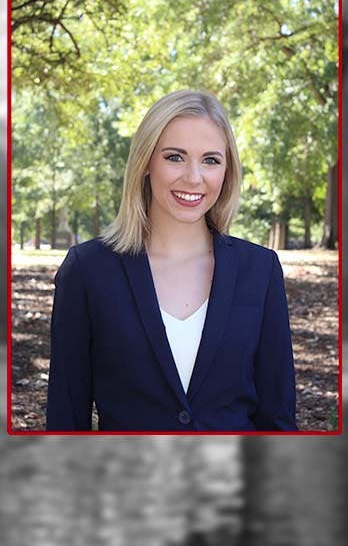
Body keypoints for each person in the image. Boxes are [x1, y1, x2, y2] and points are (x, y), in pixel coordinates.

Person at [46, 90, 296, 431]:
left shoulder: (260, 270)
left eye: (210, 160)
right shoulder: (88, 270)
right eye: (175, 157)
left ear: (227, 171)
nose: (194, 177)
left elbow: (277, 416)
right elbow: (66, 417)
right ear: (146, 162)